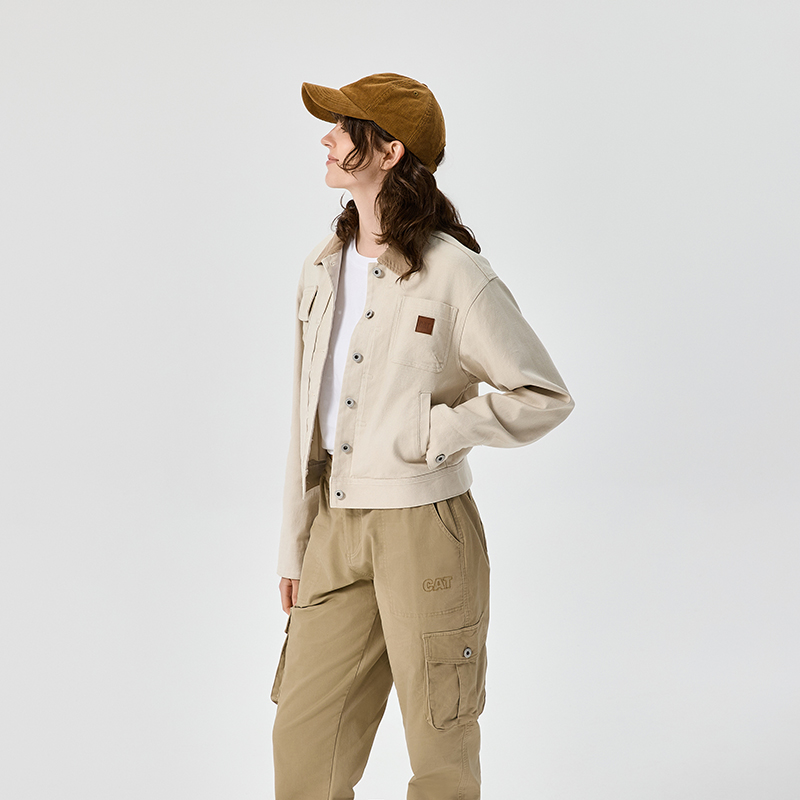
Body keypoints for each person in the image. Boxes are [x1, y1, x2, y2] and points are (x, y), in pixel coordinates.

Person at [271, 72, 574, 800]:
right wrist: (295, 542)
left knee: (439, 744)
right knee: (303, 741)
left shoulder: (454, 274)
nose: (326, 137)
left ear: (388, 150)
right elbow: (304, 417)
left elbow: (543, 394)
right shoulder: (321, 266)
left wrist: (438, 428)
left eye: (343, 127)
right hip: (335, 526)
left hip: (425, 529)